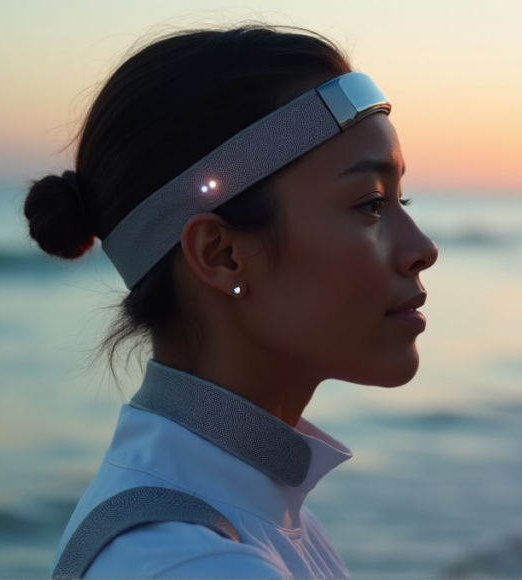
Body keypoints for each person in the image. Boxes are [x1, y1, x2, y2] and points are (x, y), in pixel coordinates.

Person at [23, 24, 438, 579]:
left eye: (399, 198)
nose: (421, 249)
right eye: (370, 204)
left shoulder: (260, 518)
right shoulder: (195, 562)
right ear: (220, 255)